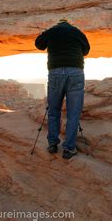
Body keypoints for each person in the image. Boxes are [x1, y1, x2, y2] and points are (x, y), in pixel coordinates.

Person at [35, 18, 90, 159]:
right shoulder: (77, 32)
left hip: (56, 72)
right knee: (73, 113)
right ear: (68, 24)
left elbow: (39, 45)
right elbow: (86, 51)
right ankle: (69, 148)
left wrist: (44, 33)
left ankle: (53, 144)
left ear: (58, 24)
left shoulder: (52, 31)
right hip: (75, 72)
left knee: (54, 111)